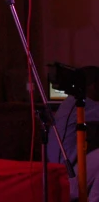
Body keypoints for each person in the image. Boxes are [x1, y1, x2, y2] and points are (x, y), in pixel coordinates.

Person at [47, 66, 99, 202]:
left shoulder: (70, 102)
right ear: (95, 86)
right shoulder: (85, 104)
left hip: (61, 172)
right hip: (66, 176)